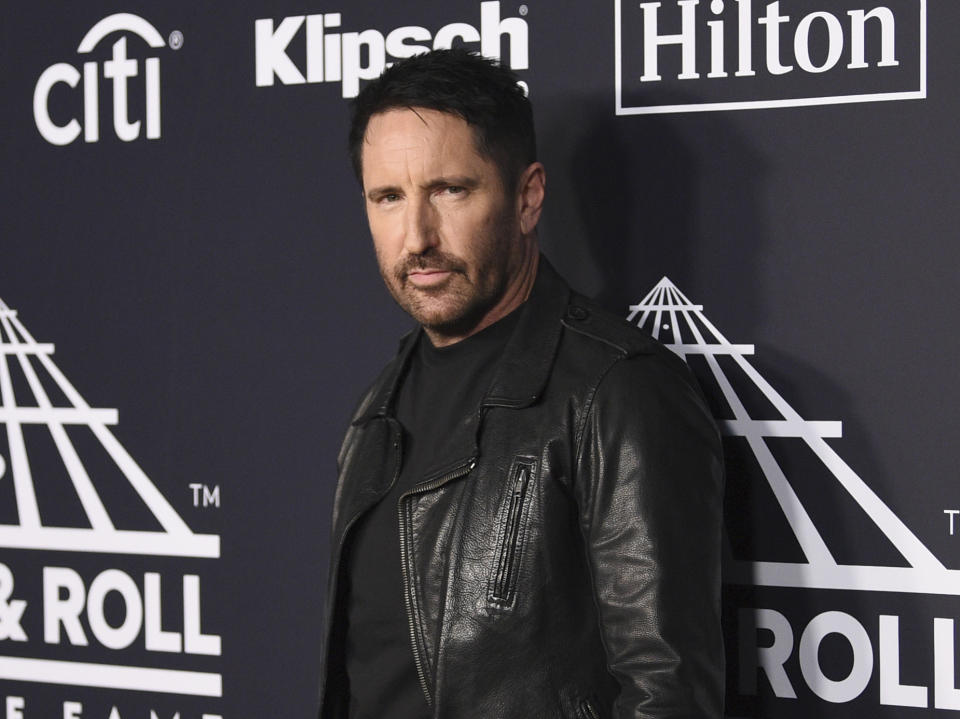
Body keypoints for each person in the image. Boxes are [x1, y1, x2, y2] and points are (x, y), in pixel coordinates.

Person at [318, 49, 724, 718]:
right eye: (388, 196)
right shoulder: (378, 406)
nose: (416, 235)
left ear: (528, 197)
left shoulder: (616, 391)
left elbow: (668, 694)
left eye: (450, 189)